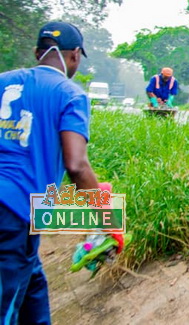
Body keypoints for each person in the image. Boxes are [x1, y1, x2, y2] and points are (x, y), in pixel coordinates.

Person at [0, 21, 123, 323]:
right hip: (13, 215)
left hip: (26, 217)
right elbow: (76, 165)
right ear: (75, 56)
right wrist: (109, 219)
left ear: (36, 53)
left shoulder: (3, 81)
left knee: (33, 289)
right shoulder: (70, 94)